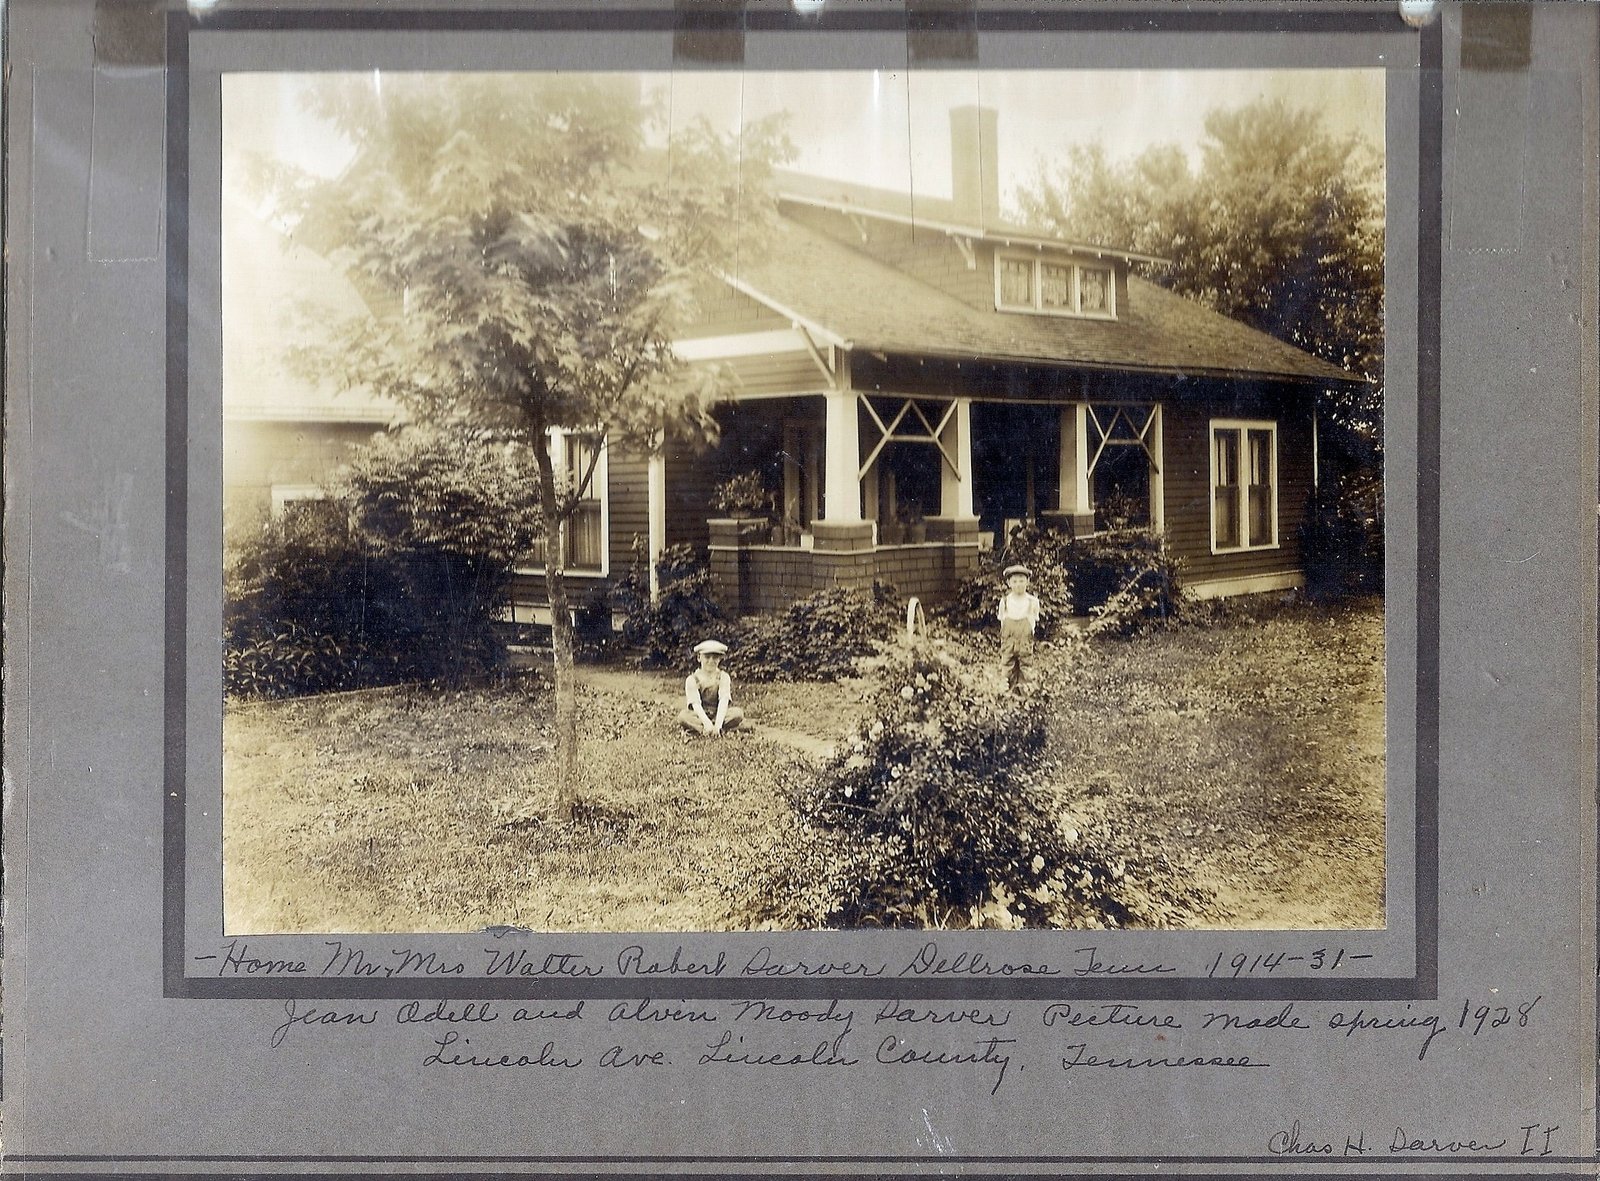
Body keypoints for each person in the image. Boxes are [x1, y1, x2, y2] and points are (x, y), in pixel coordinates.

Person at [679, 639, 744, 737]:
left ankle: (715, 728)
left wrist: (718, 725)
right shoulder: (692, 679)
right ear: (699, 658)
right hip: (700, 715)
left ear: (720, 659)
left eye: (715, 657)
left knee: (737, 713)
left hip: (718, 713)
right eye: (707, 657)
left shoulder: (723, 677)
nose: (711, 661)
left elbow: (724, 701)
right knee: (683, 716)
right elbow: (696, 704)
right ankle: (706, 729)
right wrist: (707, 723)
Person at [997, 563, 1042, 691]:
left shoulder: (1032, 602)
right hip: (1008, 643)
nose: (1018, 584)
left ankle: (1025, 694)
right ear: (1009, 583)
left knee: (1026, 669)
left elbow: (1033, 624)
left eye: (1021, 581)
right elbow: (1002, 624)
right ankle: (1007, 694)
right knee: (1007, 668)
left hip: (1025, 643)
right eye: (1015, 581)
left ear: (1027, 582)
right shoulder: (1005, 602)